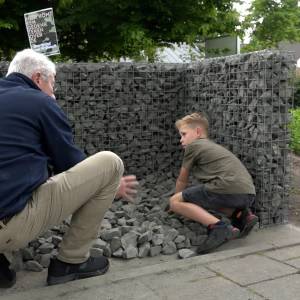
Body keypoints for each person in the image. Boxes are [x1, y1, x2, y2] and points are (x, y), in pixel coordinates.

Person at [0, 49, 138, 288]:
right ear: (37, 79)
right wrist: (114, 185)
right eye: (52, 84)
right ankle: (71, 262)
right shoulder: (39, 101)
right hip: (8, 224)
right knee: (110, 163)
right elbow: (71, 163)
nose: (54, 92)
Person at [169, 112, 258, 254]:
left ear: (198, 132)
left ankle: (219, 228)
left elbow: (182, 179)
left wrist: (175, 204)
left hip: (225, 188)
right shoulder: (211, 146)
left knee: (176, 201)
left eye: (184, 134)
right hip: (247, 194)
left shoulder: (194, 146)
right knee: (200, 197)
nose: (181, 140)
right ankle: (241, 215)